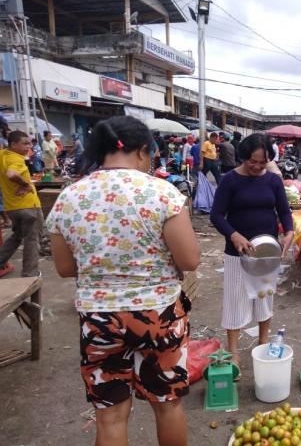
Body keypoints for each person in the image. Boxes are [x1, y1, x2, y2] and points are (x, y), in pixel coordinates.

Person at [46, 116, 200, 446]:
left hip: (99, 318)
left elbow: (63, 268)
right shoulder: (162, 193)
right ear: (143, 151)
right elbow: (189, 260)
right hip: (159, 315)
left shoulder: (70, 198)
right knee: (168, 405)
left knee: (111, 415)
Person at [210, 133, 293, 371]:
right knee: (235, 301)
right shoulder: (230, 181)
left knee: (264, 297)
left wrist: (289, 231)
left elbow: (284, 212)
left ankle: (263, 342)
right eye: (252, 161)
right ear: (243, 157)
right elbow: (216, 215)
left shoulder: (274, 181)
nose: (257, 166)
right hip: (237, 253)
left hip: (266, 252)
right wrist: (233, 234)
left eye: (262, 161)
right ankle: (233, 351)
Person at [0, 130, 44, 277]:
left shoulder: (3, 155)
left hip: (12, 207)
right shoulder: (16, 159)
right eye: (24, 143)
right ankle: (30, 274)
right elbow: (12, 174)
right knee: (32, 241)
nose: (29, 146)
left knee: (17, 236)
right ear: (13, 144)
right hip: (28, 207)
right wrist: (25, 184)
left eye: (30, 143)